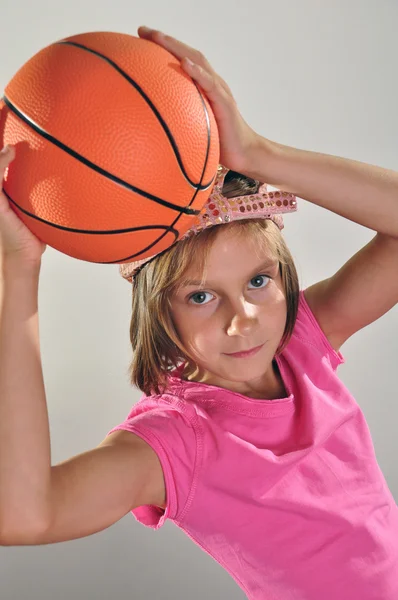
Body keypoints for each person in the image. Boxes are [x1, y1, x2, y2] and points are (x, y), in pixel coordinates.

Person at [1, 25, 398, 600]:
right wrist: (17, 269)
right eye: (201, 296)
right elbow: (24, 515)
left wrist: (262, 154)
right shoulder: (175, 443)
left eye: (259, 282)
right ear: (159, 313)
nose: (244, 319)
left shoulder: (302, 344)